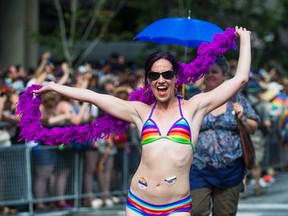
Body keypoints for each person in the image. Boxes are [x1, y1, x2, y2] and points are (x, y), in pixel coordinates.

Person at [21, 26, 250, 215]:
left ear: (176, 78)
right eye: (154, 75)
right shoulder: (140, 111)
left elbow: (240, 79)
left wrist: (245, 39)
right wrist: (52, 86)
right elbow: (94, 97)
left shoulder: (194, 108)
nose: (161, 80)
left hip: (177, 206)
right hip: (138, 203)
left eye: (167, 74)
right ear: (148, 81)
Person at [188, 56, 259, 215]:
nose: (210, 75)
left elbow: (254, 126)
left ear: (224, 75)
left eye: (215, 71)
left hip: (230, 169)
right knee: (196, 211)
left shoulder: (235, 98)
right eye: (207, 72)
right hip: (199, 167)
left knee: (225, 213)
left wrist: (242, 118)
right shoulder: (196, 99)